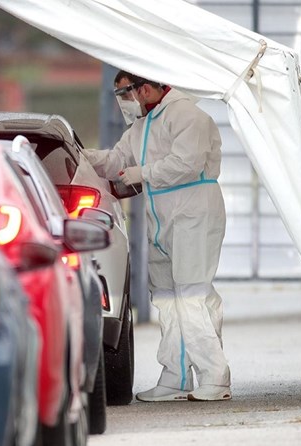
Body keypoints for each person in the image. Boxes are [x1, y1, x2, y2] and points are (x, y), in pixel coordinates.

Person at [83, 71, 231, 402]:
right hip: (161, 216)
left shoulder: (187, 115)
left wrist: (142, 173)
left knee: (192, 294)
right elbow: (114, 161)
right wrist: (81, 155)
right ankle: (176, 377)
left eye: (125, 93)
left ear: (145, 87)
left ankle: (215, 375)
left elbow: (187, 164)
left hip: (193, 210)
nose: (124, 102)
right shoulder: (139, 128)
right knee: (166, 296)